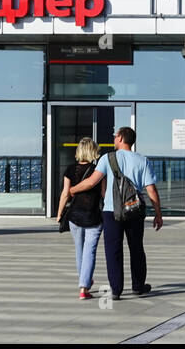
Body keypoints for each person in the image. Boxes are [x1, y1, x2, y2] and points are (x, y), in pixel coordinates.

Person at [65, 125, 162, 299]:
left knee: (113, 250)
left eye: (115, 136)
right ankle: (138, 286)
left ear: (121, 138)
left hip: (111, 211)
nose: (113, 139)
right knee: (136, 248)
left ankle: (116, 290)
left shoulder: (107, 158)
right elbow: (151, 190)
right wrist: (158, 214)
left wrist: (73, 190)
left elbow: (91, 182)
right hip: (134, 210)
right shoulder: (142, 160)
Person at [57, 137, 104, 300]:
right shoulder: (98, 170)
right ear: (93, 151)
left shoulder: (70, 169)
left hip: (75, 216)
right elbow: (104, 194)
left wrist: (59, 213)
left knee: (79, 251)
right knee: (89, 252)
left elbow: (65, 193)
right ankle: (84, 287)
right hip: (93, 216)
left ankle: (84, 282)